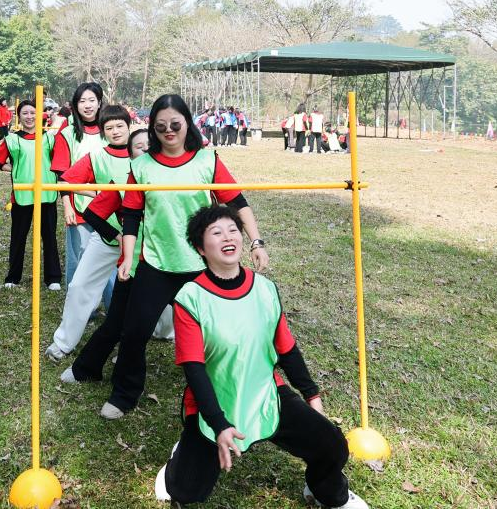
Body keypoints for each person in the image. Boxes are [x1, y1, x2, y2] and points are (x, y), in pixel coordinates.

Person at [62, 93, 269, 420]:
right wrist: (128, 256)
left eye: (175, 124)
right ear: (153, 129)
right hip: (156, 264)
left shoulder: (207, 160)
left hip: (202, 265)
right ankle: (125, 394)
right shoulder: (141, 166)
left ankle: (228, 391)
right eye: (161, 127)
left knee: (220, 333)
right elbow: (131, 215)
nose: (169, 131)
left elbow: (237, 203)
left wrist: (256, 242)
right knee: (134, 332)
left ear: (188, 123)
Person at [154, 204, 367, 509]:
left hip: (267, 394)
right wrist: (218, 425)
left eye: (232, 230)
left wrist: (312, 395)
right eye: (216, 233)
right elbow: (194, 369)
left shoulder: (265, 289)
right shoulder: (190, 297)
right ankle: (180, 459)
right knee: (185, 492)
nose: (228, 237)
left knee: (332, 444)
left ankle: (327, 493)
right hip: (214, 405)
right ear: (201, 248)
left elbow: (287, 349)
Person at [45, 105, 134, 360]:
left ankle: (162, 332)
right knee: (80, 285)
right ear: (103, 133)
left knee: (144, 293)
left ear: (129, 126)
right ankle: (63, 343)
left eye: (119, 126)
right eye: (109, 128)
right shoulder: (97, 157)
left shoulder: (143, 153)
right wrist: (101, 193)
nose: (115, 131)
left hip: (141, 239)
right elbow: (65, 182)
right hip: (108, 236)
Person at [0, 99, 62, 289]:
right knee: (18, 237)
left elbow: (59, 162)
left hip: (46, 196)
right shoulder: (12, 139)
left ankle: (53, 278)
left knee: (49, 237)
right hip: (22, 197)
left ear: (40, 115)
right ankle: (13, 277)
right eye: (25, 113)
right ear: (19, 117)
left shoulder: (50, 138)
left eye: (33, 113)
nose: (29, 117)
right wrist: (14, 169)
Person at [51, 82, 106, 288]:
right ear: (75, 105)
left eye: (92, 100)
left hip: (109, 206)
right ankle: (77, 303)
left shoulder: (109, 129)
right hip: (79, 205)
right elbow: (61, 172)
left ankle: (108, 304)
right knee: (79, 254)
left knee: (109, 255)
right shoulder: (67, 133)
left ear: (100, 102)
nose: (88, 105)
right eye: (82, 101)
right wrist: (67, 206)